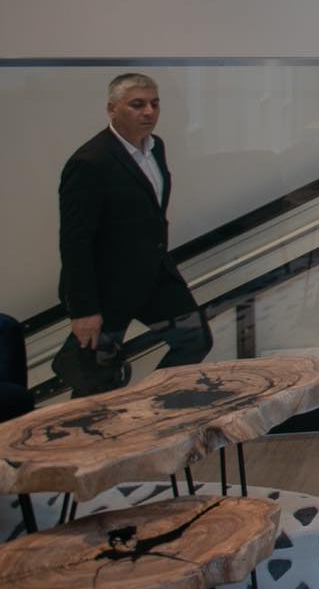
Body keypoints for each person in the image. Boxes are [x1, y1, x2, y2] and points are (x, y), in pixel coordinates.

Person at [57, 73, 213, 392]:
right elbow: (75, 242)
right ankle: (93, 425)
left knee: (194, 339)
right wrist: (84, 310)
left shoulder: (156, 147)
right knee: (96, 377)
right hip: (109, 286)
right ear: (112, 109)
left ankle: (154, 406)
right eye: (137, 105)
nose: (149, 112)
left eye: (155, 104)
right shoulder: (90, 162)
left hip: (155, 276)